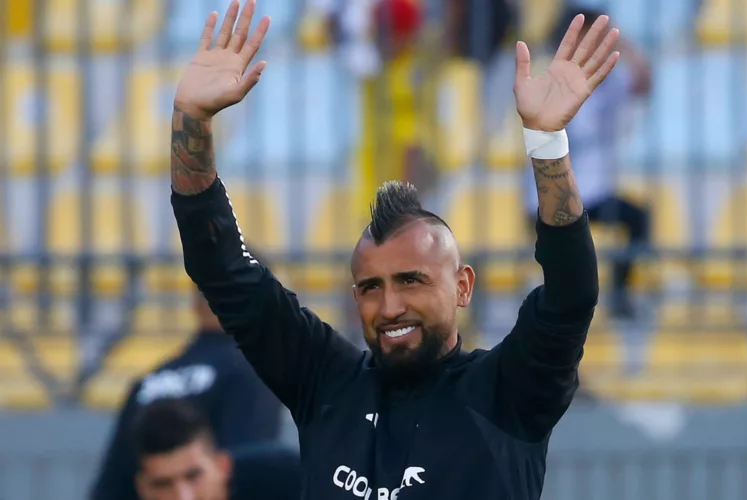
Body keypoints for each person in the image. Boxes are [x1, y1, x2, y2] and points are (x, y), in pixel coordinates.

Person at [169, 0, 617, 497]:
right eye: (370, 287)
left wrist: (546, 140)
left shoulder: (509, 392)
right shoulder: (325, 382)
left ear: (462, 285)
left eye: (411, 280)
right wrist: (193, 120)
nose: (390, 306)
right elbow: (222, 268)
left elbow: (571, 292)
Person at [90, 289, 286, 500]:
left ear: (194, 305)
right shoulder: (253, 371)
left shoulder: (148, 382)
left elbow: (109, 489)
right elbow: (250, 479)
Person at [525, 5, 652, 319]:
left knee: (638, 219)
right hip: (554, 192)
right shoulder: (552, 77)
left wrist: (622, 44)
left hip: (592, 191)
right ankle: (564, 302)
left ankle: (619, 293)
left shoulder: (606, 80)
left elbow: (643, 82)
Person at [133, 398, 301, 500]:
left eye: (193, 476)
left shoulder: (290, 479)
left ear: (223, 465)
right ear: (143, 488)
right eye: (164, 484)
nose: (184, 496)